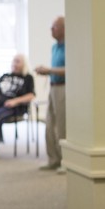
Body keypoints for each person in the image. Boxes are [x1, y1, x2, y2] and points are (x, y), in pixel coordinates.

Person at [34, 16, 66, 173]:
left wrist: (49, 70)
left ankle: (65, 161)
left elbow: (70, 69)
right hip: (52, 88)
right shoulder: (54, 47)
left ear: (64, 29)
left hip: (63, 88)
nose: (51, 30)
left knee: (62, 126)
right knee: (49, 124)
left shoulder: (70, 46)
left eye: (54, 27)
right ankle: (53, 159)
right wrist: (46, 72)